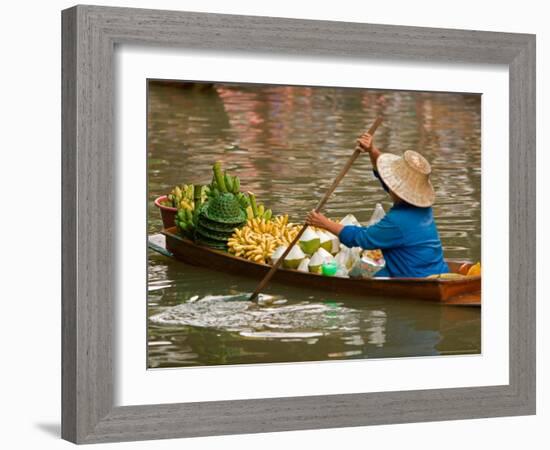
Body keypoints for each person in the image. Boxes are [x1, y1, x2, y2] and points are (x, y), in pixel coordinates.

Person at [306, 132, 449, 278]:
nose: (388, 183)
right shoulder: (424, 209)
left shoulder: (397, 221)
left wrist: (324, 223)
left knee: (359, 275)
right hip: (438, 270)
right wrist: (372, 150)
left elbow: (362, 238)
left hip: (412, 276)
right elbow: (387, 180)